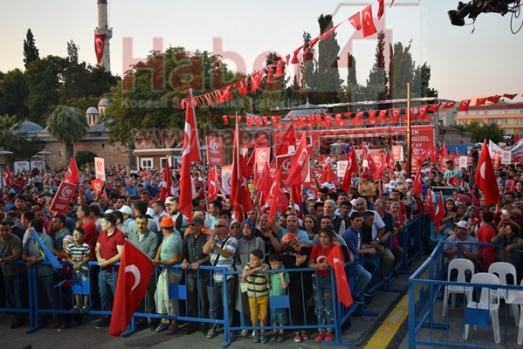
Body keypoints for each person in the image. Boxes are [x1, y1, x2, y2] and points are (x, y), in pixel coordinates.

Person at [22, 218, 62, 328]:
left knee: (52, 297)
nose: (28, 229)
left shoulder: (46, 239)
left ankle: (56, 318)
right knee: (37, 296)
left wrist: (36, 259)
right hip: (34, 274)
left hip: (47, 272)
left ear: (33, 229)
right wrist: (29, 258)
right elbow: (23, 254)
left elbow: (49, 254)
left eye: (29, 227)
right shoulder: (30, 240)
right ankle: (41, 317)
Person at [202, 218, 238, 339]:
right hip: (213, 277)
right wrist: (212, 238)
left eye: (219, 226)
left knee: (227, 305)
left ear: (225, 228)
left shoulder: (232, 240)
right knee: (213, 304)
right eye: (215, 225)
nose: (216, 227)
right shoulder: (213, 239)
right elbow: (205, 250)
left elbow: (228, 254)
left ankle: (230, 328)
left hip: (227, 277)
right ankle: (213, 327)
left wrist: (216, 247)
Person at [127, 214, 159, 330]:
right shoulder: (131, 236)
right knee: (138, 297)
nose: (140, 225)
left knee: (150, 297)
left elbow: (151, 253)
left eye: (143, 223)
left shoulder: (153, 236)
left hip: (148, 272)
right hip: (135, 273)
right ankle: (142, 320)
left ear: (147, 223)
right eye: (138, 223)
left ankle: (153, 320)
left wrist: (139, 260)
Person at [153, 215, 183, 335]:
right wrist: (157, 257)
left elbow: (175, 259)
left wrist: (159, 262)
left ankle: (174, 321)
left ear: (163, 227)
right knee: (159, 295)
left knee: (170, 297)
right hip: (166, 270)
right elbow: (161, 244)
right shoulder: (170, 234)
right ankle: (165, 320)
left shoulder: (174, 239)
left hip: (172, 272)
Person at [95, 213, 126, 330]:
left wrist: (106, 262)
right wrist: (99, 259)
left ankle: (121, 318)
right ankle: (106, 317)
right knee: (104, 295)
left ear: (109, 224)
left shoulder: (119, 236)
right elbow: (97, 248)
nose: (101, 224)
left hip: (115, 271)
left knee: (117, 296)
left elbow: (121, 254)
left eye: (103, 222)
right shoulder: (102, 234)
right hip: (103, 270)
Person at [308, 228, 339, 343]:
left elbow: (339, 262)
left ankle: (330, 330)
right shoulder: (316, 248)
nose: (323, 239)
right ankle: (321, 331)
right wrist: (319, 266)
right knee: (319, 305)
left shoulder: (335, 248)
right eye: (321, 236)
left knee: (329, 305)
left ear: (330, 238)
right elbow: (310, 263)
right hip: (317, 278)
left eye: (325, 237)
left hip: (329, 279)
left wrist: (329, 264)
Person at [0, 220, 27, 329]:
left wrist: (2, 259)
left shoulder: (15, 239)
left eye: (7, 230)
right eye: (2, 230)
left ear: (10, 229)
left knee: (18, 295)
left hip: (17, 272)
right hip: (6, 272)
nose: (4, 232)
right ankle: (17, 314)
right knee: (11, 295)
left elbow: (16, 255)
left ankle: (20, 317)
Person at [242, 249, 270, 343]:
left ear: (260, 260)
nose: (252, 261)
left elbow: (268, 278)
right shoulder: (248, 266)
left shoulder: (265, 265)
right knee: (253, 316)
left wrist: (264, 271)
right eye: (251, 259)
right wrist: (254, 269)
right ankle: (256, 332)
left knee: (263, 315)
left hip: (263, 295)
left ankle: (263, 333)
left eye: (254, 259)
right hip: (252, 296)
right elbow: (244, 275)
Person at [66, 227, 91, 313]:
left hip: (84, 268)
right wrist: (74, 263)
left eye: (77, 234)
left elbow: (88, 257)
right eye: (73, 234)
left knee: (85, 285)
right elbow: (68, 257)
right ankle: (77, 304)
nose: (75, 236)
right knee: (76, 285)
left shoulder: (86, 246)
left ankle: (85, 304)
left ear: (82, 236)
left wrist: (80, 263)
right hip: (75, 268)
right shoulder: (70, 246)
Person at [268, 253, 289, 342]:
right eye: (272, 264)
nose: (274, 266)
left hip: (281, 296)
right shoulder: (271, 273)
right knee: (273, 315)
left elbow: (285, 286)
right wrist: (268, 285)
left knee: (281, 315)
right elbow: (270, 283)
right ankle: (274, 331)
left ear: (281, 263)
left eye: (276, 264)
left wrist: (281, 276)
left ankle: (281, 331)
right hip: (272, 296)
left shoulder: (285, 272)